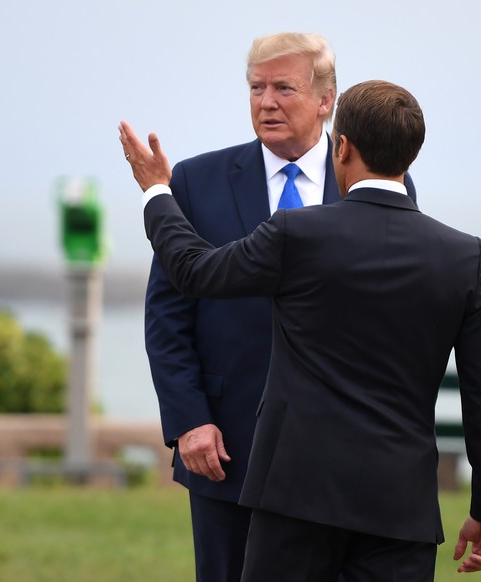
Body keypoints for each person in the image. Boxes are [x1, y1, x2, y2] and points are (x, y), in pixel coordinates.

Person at [120, 79, 481, 581]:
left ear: (341, 147)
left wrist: (156, 190)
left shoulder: (298, 234)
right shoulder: (463, 256)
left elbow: (194, 270)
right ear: (410, 156)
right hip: (400, 507)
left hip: (293, 497)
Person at [142, 33, 417, 582]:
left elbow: (393, 313)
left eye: (284, 88)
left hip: (341, 457)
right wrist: (190, 419)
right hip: (225, 448)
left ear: (325, 100)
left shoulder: (384, 183)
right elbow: (167, 315)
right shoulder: (196, 181)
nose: (266, 102)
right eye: (255, 88)